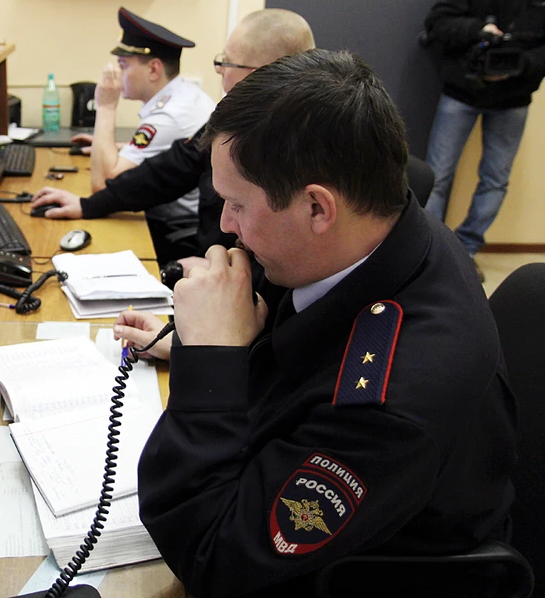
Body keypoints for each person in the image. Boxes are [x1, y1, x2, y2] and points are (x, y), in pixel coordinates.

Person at [118, 50, 517, 597]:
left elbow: (210, 557)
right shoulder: (384, 226)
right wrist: (215, 341)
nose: (226, 227)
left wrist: (213, 362)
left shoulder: (386, 404)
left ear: (317, 209)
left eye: (236, 204)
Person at [30, 9, 315, 265]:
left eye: (226, 63)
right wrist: (87, 206)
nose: (219, 71)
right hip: (214, 265)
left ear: (261, 74)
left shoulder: (300, 141)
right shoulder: (240, 118)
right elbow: (171, 169)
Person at [422, 0, 545, 281]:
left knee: (495, 180)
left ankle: (465, 252)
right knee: (436, 176)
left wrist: (521, 63)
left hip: (515, 98)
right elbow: (437, 24)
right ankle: (428, 252)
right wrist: (479, 32)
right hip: (461, 91)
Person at [73, 7, 216, 263]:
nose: (117, 75)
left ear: (153, 70)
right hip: (171, 215)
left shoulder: (168, 116)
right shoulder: (184, 96)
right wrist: (110, 146)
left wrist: (105, 106)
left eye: (123, 65)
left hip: (170, 228)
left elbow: (104, 184)